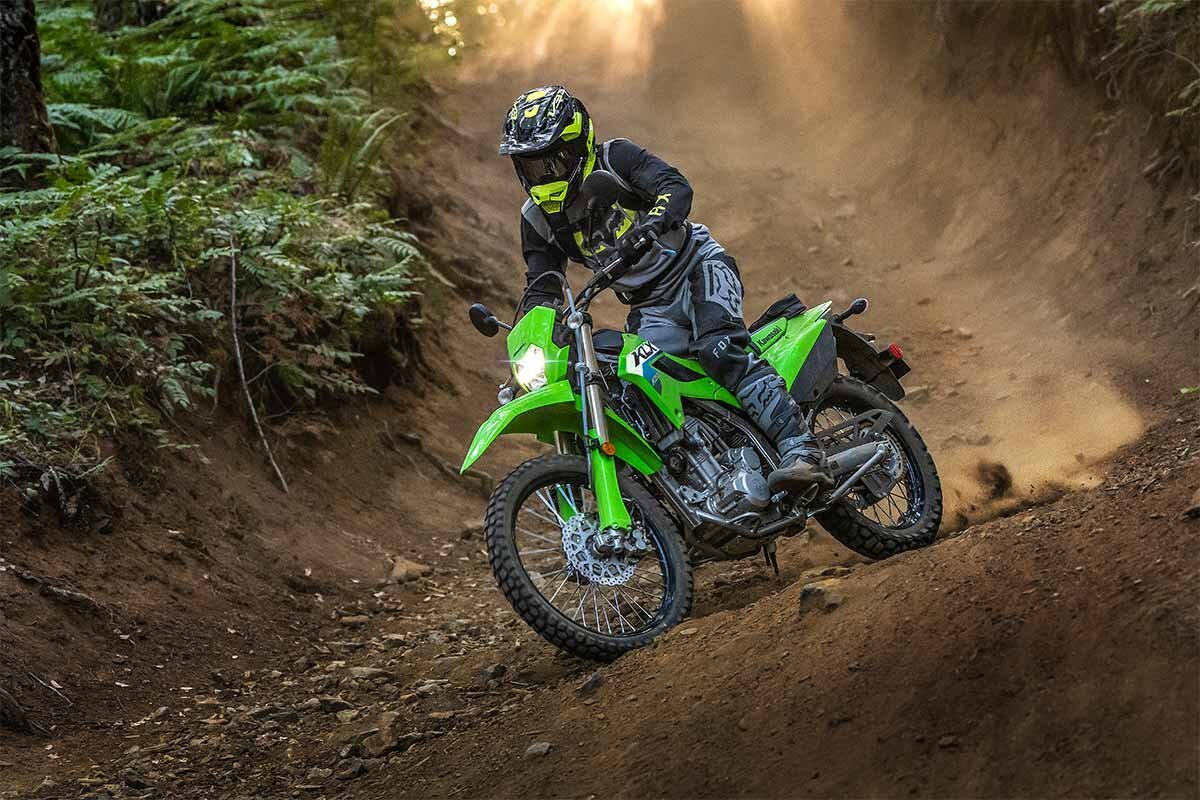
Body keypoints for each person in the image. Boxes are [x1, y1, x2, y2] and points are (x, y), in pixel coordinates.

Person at [500, 85, 832, 495]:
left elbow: (675, 187)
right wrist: (533, 340)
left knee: (718, 348)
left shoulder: (615, 159)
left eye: (553, 160)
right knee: (641, 387)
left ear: (578, 145)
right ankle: (708, 480)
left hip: (697, 265)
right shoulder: (536, 220)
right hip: (649, 306)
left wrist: (653, 225)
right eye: (532, 165)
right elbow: (542, 284)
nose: (544, 174)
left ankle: (802, 448)